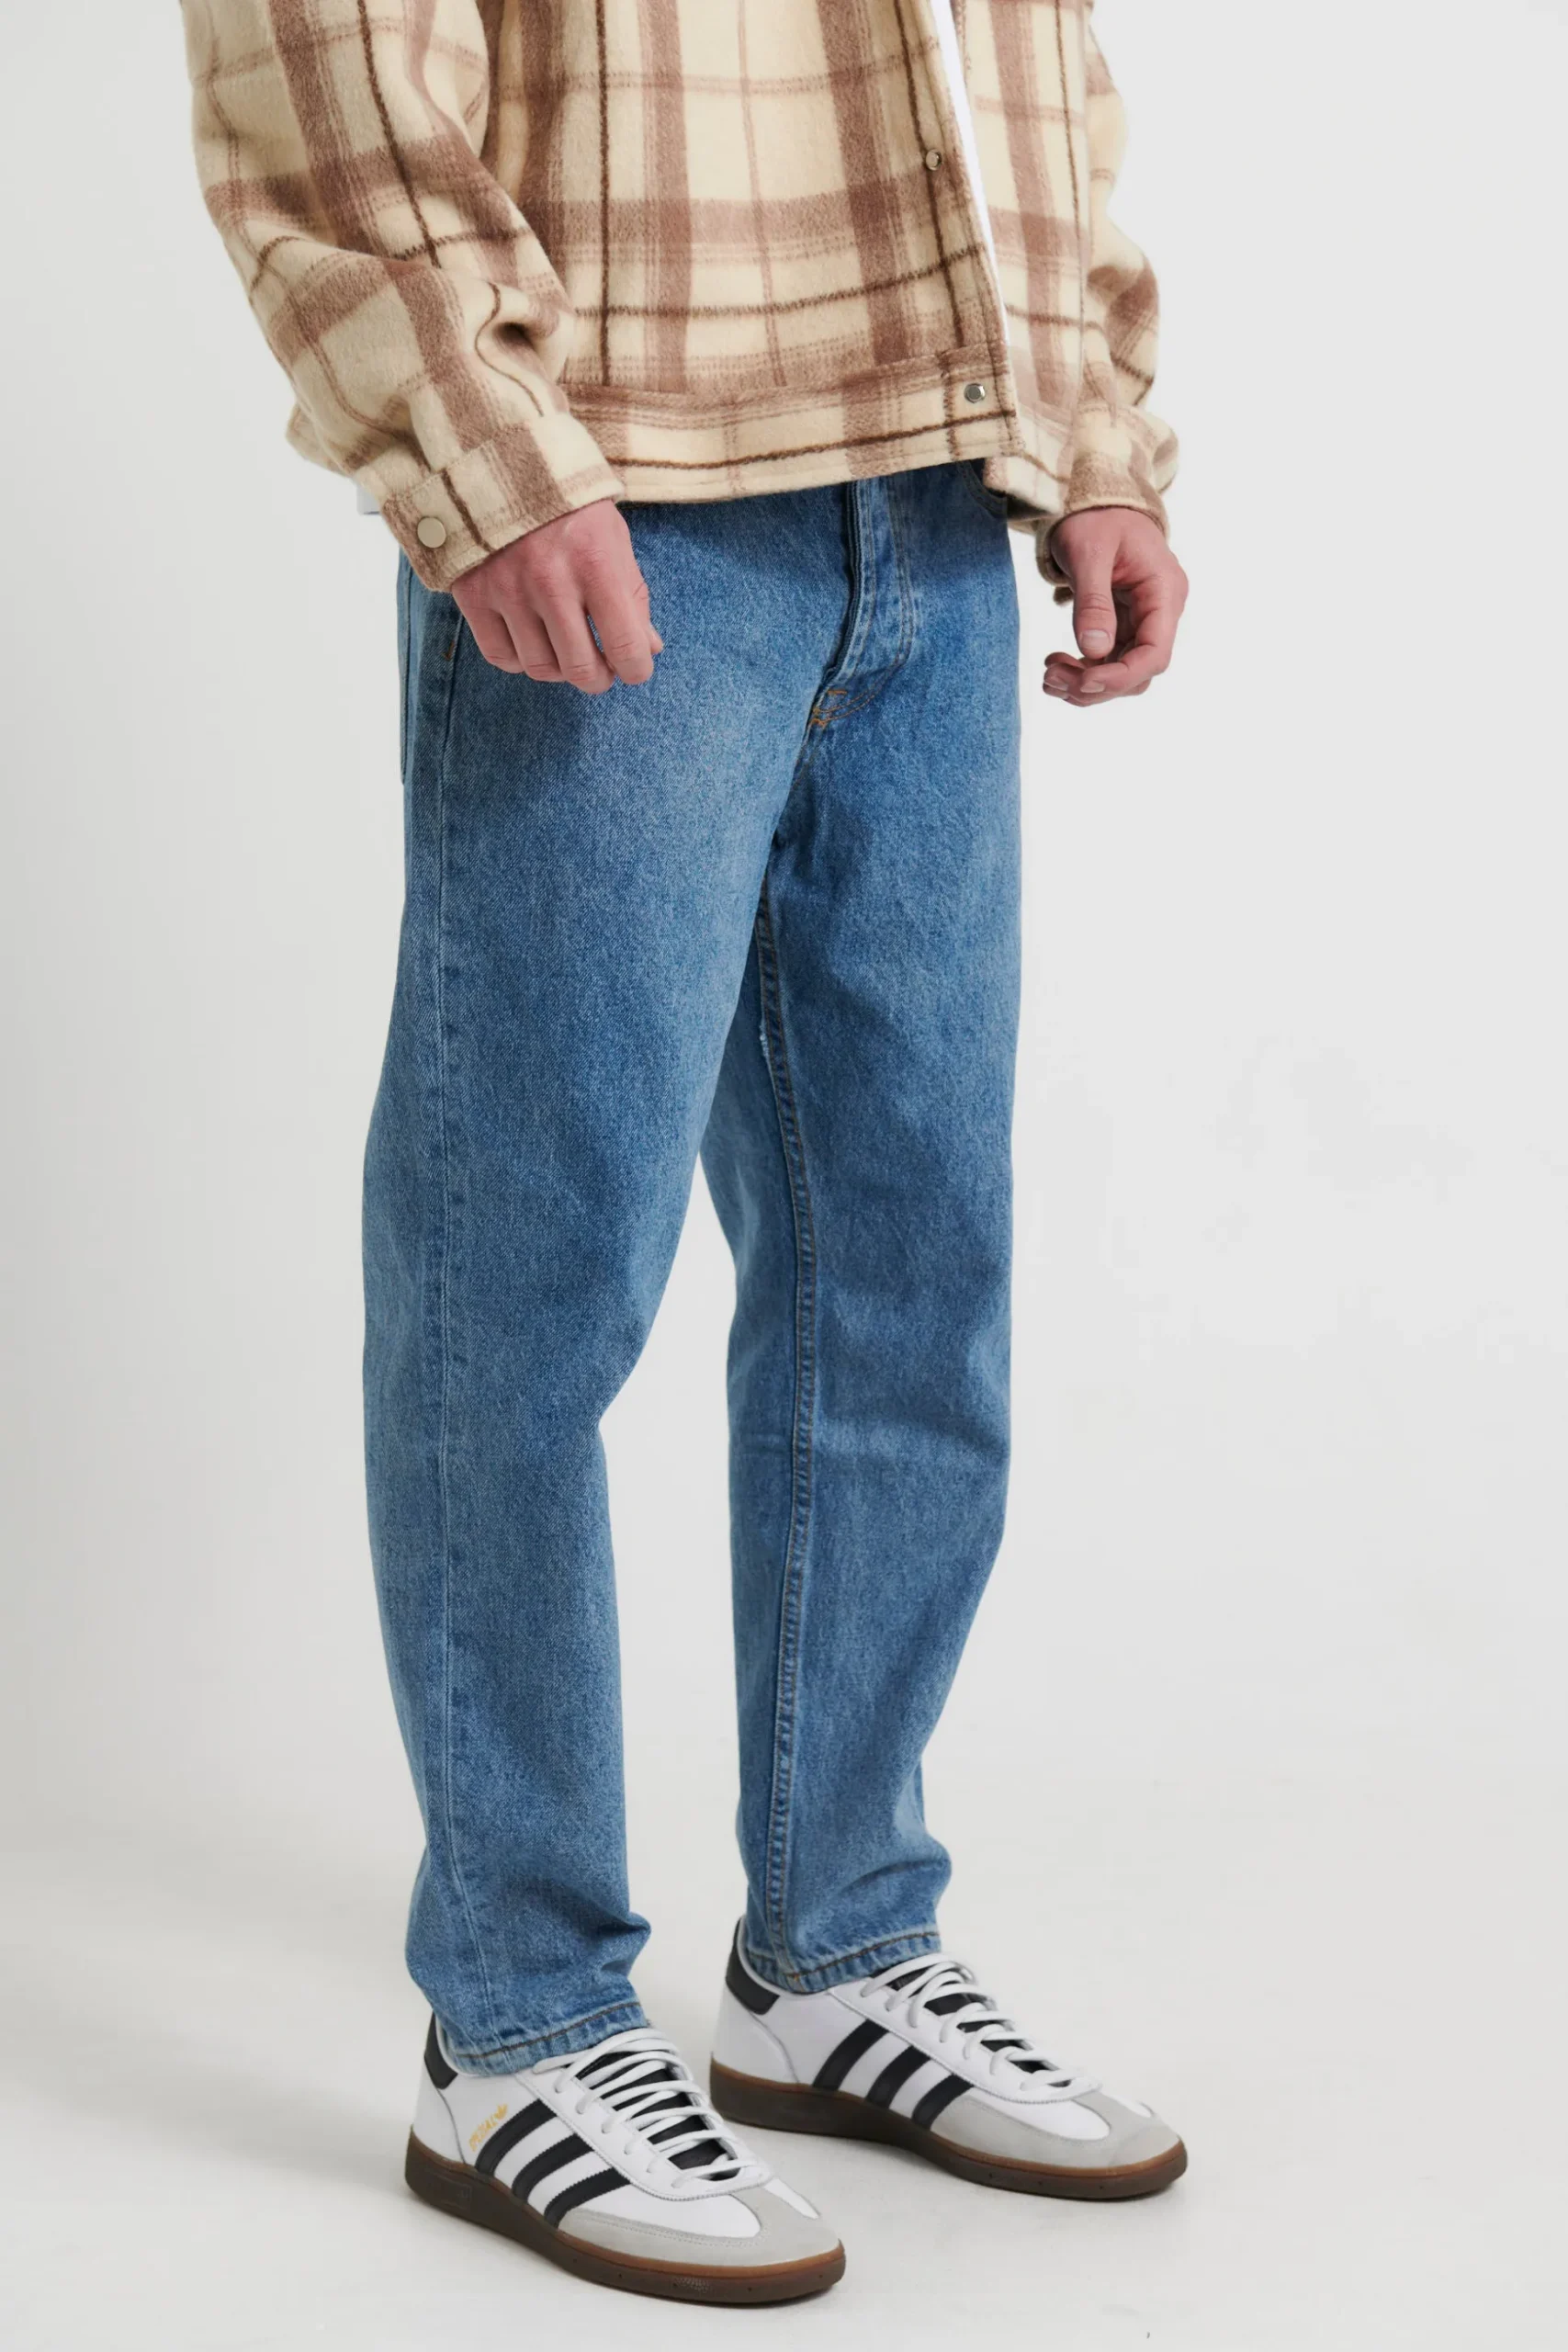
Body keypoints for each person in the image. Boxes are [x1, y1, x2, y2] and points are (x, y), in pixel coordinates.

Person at [180, 0, 1190, 2305]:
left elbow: (1025, 48)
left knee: (909, 1268)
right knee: (524, 1287)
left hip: (938, 495)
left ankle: (838, 1946)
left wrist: (1089, 425)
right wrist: (480, 449)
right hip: (621, 479)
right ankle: (517, 2020)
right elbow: (319, 44)